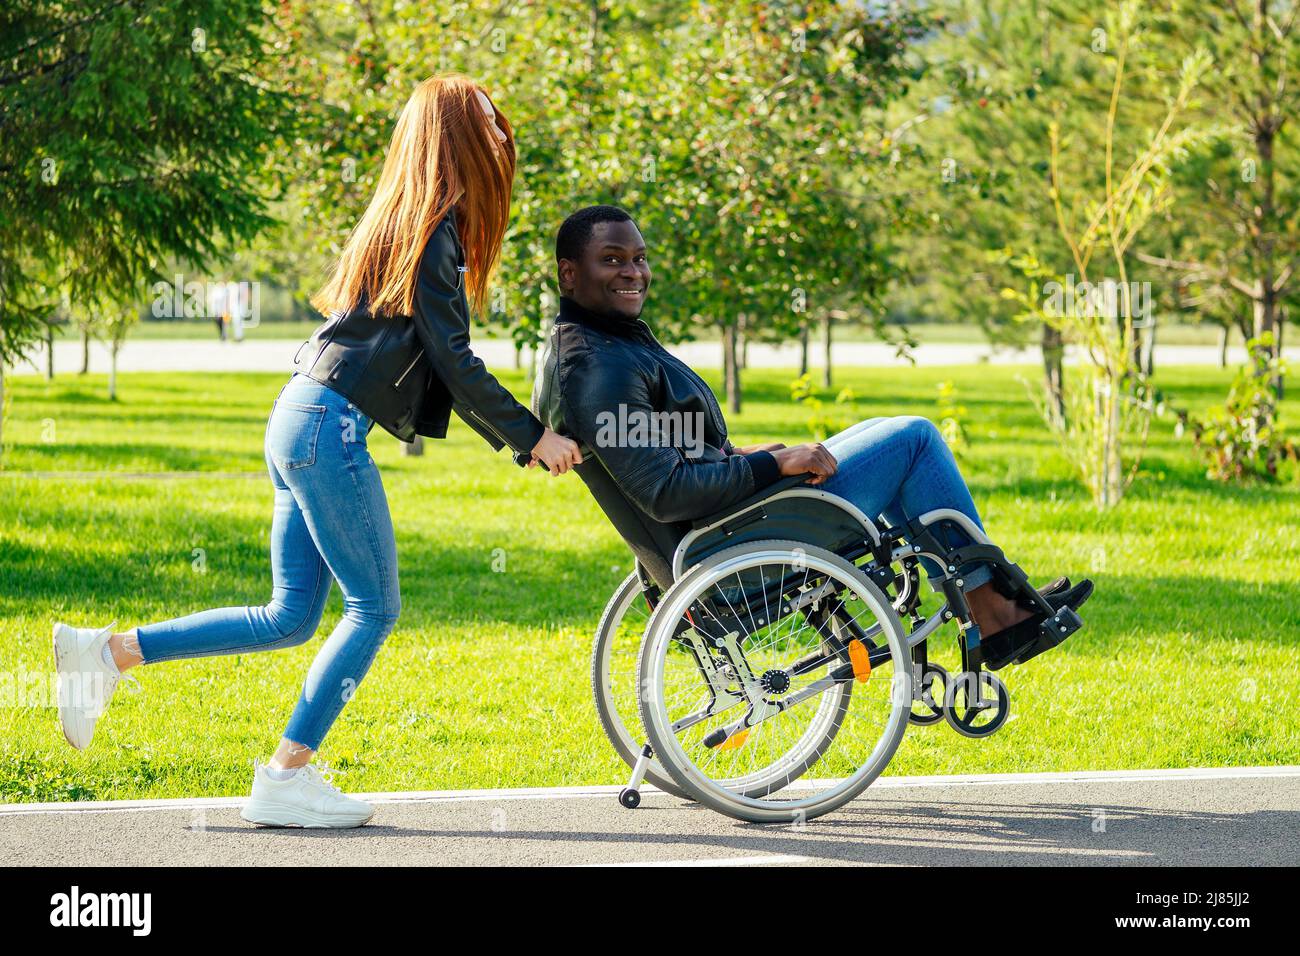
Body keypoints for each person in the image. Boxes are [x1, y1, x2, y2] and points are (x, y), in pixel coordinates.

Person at [52, 75, 582, 829]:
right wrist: (536, 437)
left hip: (299, 415)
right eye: (491, 124)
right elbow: (457, 365)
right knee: (374, 607)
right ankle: (285, 776)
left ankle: (106, 654)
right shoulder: (429, 233)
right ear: (455, 135)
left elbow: (436, 361)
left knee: (291, 616)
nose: (504, 136)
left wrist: (523, 443)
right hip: (325, 426)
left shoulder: (411, 222)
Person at [533, 205, 1092, 669]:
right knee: (913, 439)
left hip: (725, 522)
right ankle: (996, 611)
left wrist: (762, 453)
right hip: (727, 542)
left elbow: (675, 450)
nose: (633, 272)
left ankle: (991, 602)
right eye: (611, 260)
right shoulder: (598, 369)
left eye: (639, 258)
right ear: (568, 273)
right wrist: (775, 468)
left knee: (878, 433)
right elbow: (666, 491)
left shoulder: (600, 346)